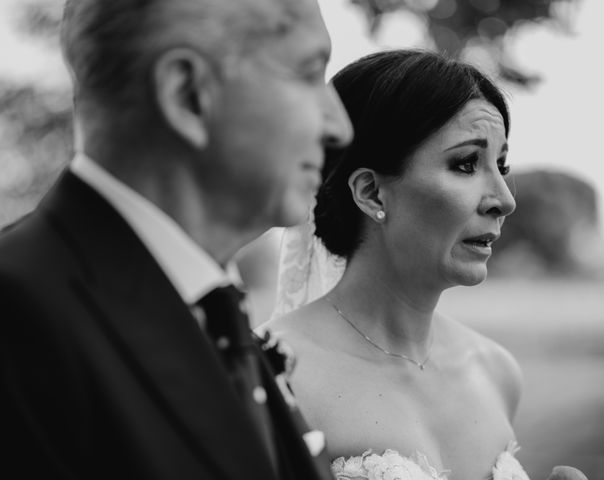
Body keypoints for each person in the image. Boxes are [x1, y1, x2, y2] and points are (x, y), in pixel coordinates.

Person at [0, 0, 352, 478]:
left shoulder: (215, 315)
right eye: (309, 74)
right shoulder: (19, 321)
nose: (339, 128)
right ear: (188, 93)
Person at [266, 50, 587, 480]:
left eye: (502, 165)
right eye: (466, 164)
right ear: (372, 193)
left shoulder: (495, 370)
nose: (505, 200)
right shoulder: (276, 376)